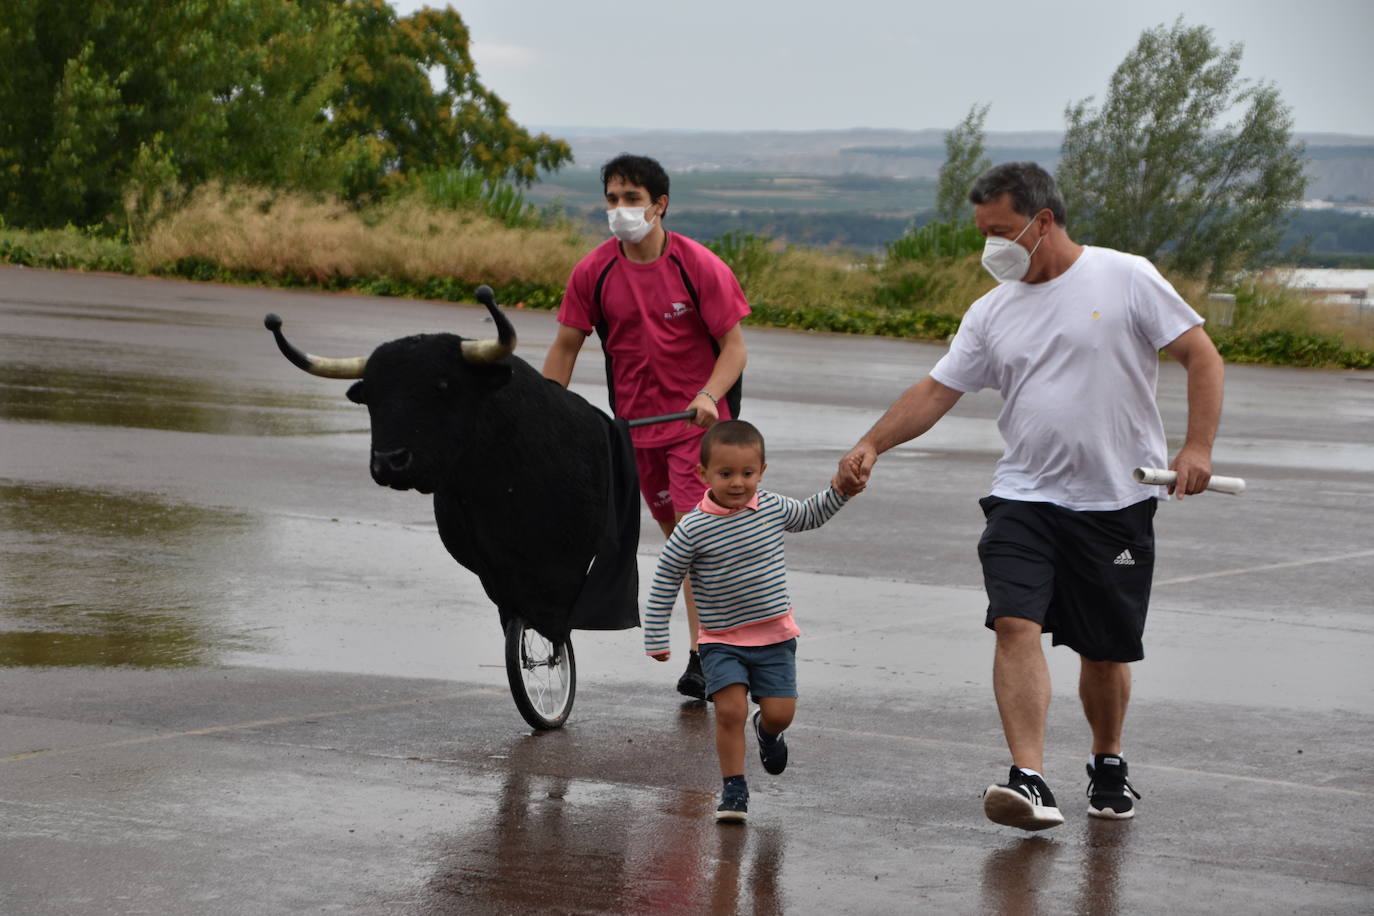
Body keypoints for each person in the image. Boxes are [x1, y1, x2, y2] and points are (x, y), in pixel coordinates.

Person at [836, 162, 1224, 832]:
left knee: (1104, 651)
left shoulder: (1124, 276)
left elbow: (1202, 357)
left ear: (1043, 222)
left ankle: (1107, 761)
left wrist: (1196, 449)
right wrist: (873, 443)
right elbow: (936, 390)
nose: (991, 248)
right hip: (1024, 498)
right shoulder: (992, 311)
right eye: (983, 233)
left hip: (1116, 501)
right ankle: (1030, 777)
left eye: (1002, 231)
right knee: (1015, 622)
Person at [543, 153, 749, 702]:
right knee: (680, 542)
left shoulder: (698, 266)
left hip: (696, 427)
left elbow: (734, 348)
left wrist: (709, 394)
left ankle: (706, 657)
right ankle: (721, 638)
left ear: (659, 206)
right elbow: (565, 348)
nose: (620, 210)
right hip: (635, 430)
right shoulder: (594, 271)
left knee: (691, 537)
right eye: (612, 199)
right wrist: (543, 415)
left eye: (631, 199)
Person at [644, 420, 864, 822]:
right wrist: (657, 634)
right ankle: (733, 788)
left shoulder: (773, 507)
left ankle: (768, 731)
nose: (737, 483)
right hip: (721, 640)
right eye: (725, 474)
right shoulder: (692, 527)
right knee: (729, 711)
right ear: (703, 474)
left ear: (762, 471)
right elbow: (666, 578)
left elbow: (811, 514)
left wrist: (841, 489)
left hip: (774, 637)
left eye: (747, 473)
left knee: (781, 712)